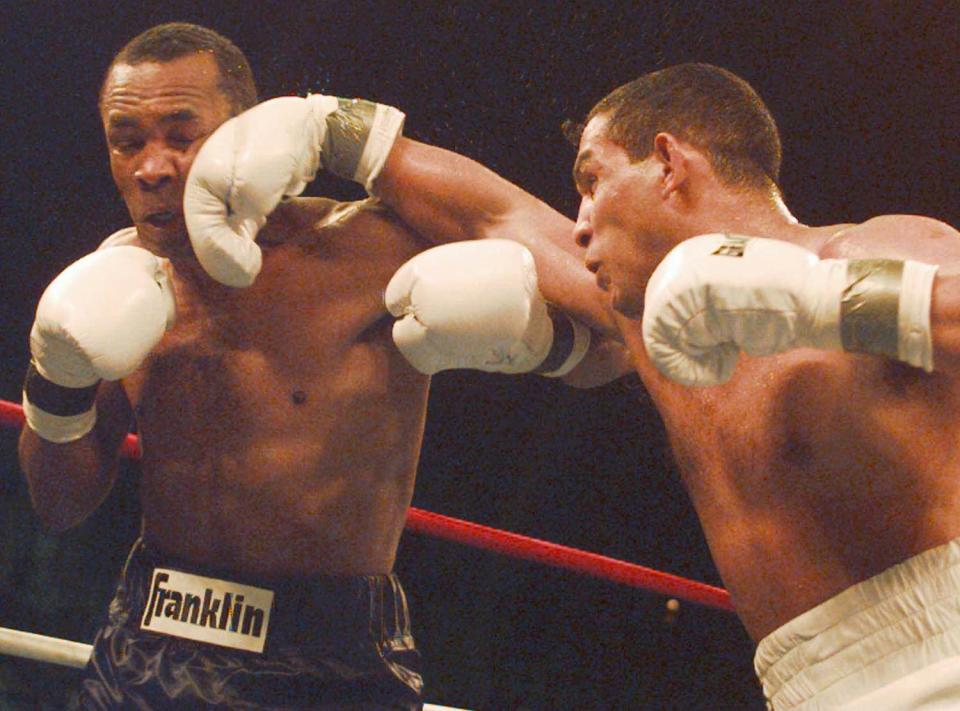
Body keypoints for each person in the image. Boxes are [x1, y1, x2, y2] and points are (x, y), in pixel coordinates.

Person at [191, 63, 960, 708]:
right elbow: (497, 217)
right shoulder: (654, 325)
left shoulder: (863, 248)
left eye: (593, 183)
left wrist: (821, 299)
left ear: (668, 162)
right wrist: (340, 133)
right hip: (804, 685)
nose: (580, 221)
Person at [18, 22, 613, 710]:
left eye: (182, 135)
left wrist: (351, 134)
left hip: (328, 657)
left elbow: (606, 318)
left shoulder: (363, 247)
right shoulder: (113, 281)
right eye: (128, 141)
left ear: (242, 134)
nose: (152, 166)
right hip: (148, 646)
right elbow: (57, 506)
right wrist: (55, 380)